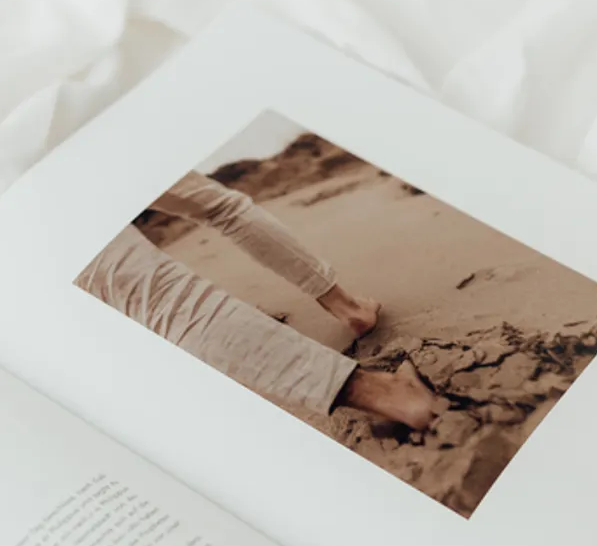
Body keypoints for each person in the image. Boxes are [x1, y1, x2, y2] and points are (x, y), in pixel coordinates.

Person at [76, 169, 444, 430]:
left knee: (152, 296)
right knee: (222, 209)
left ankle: (373, 377)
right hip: (93, 135)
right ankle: (365, 346)